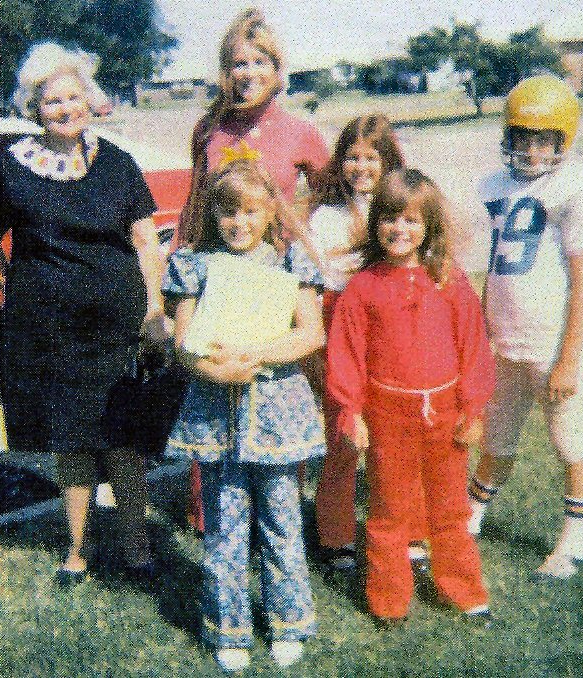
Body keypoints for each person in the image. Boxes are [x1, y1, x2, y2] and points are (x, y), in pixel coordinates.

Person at [0, 43, 169, 584]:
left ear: (91, 99)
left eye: (73, 96)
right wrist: (13, 287)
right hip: (50, 334)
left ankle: (136, 544)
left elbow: (145, 238)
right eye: (52, 100)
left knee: (125, 440)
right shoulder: (10, 168)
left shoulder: (119, 164)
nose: (65, 107)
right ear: (34, 108)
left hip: (117, 327)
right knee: (73, 443)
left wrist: (154, 307)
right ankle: (76, 548)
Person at [162, 160, 326, 672]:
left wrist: (257, 354)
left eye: (251, 212)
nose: (240, 223)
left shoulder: (290, 262)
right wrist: (212, 369)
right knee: (225, 523)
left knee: (282, 518)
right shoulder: (195, 264)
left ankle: (289, 620)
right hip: (217, 414)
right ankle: (228, 627)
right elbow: (185, 341)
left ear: (270, 210)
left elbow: (310, 333)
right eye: (229, 212)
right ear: (214, 214)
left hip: (277, 410)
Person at [176, 8, 329, 532]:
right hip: (220, 271)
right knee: (218, 379)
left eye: (259, 61)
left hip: (277, 277)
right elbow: (198, 203)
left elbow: (329, 195)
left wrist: (299, 229)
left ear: (276, 68)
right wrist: (181, 269)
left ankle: (284, 503)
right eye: (237, 63)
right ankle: (209, 510)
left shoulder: (301, 132)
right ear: (225, 70)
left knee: (278, 388)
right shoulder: (208, 130)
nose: (247, 73)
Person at [326, 169, 495, 625]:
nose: (400, 230)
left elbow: (474, 346)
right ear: (376, 221)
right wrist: (352, 413)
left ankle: (462, 587)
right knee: (388, 508)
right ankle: (388, 598)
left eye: (412, 220)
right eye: (390, 218)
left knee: (448, 506)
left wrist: (473, 408)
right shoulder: (362, 288)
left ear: (429, 226)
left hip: (445, 412)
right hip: (388, 415)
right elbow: (346, 354)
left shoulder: (449, 280)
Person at [467, 76, 583, 579]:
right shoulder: (495, 186)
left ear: (563, 140)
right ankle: (473, 513)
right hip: (506, 337)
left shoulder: (579, 185)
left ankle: (576, 540)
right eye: (523, 136)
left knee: (570, 440)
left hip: (552, 343)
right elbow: (494, 267)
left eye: (543, 138)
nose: (531, 149)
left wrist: (570, 358)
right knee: (497, 437)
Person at [301, 114, 429, 572]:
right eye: (352, 157)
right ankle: (334, 535)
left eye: (371, 158)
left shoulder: (401, 205)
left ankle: (409, 531)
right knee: (343, 433)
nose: (360, 167)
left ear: (388, 161)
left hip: (392, 323)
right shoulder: (328, 214)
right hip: (342, 320)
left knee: (396, 434)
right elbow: (318, 279)